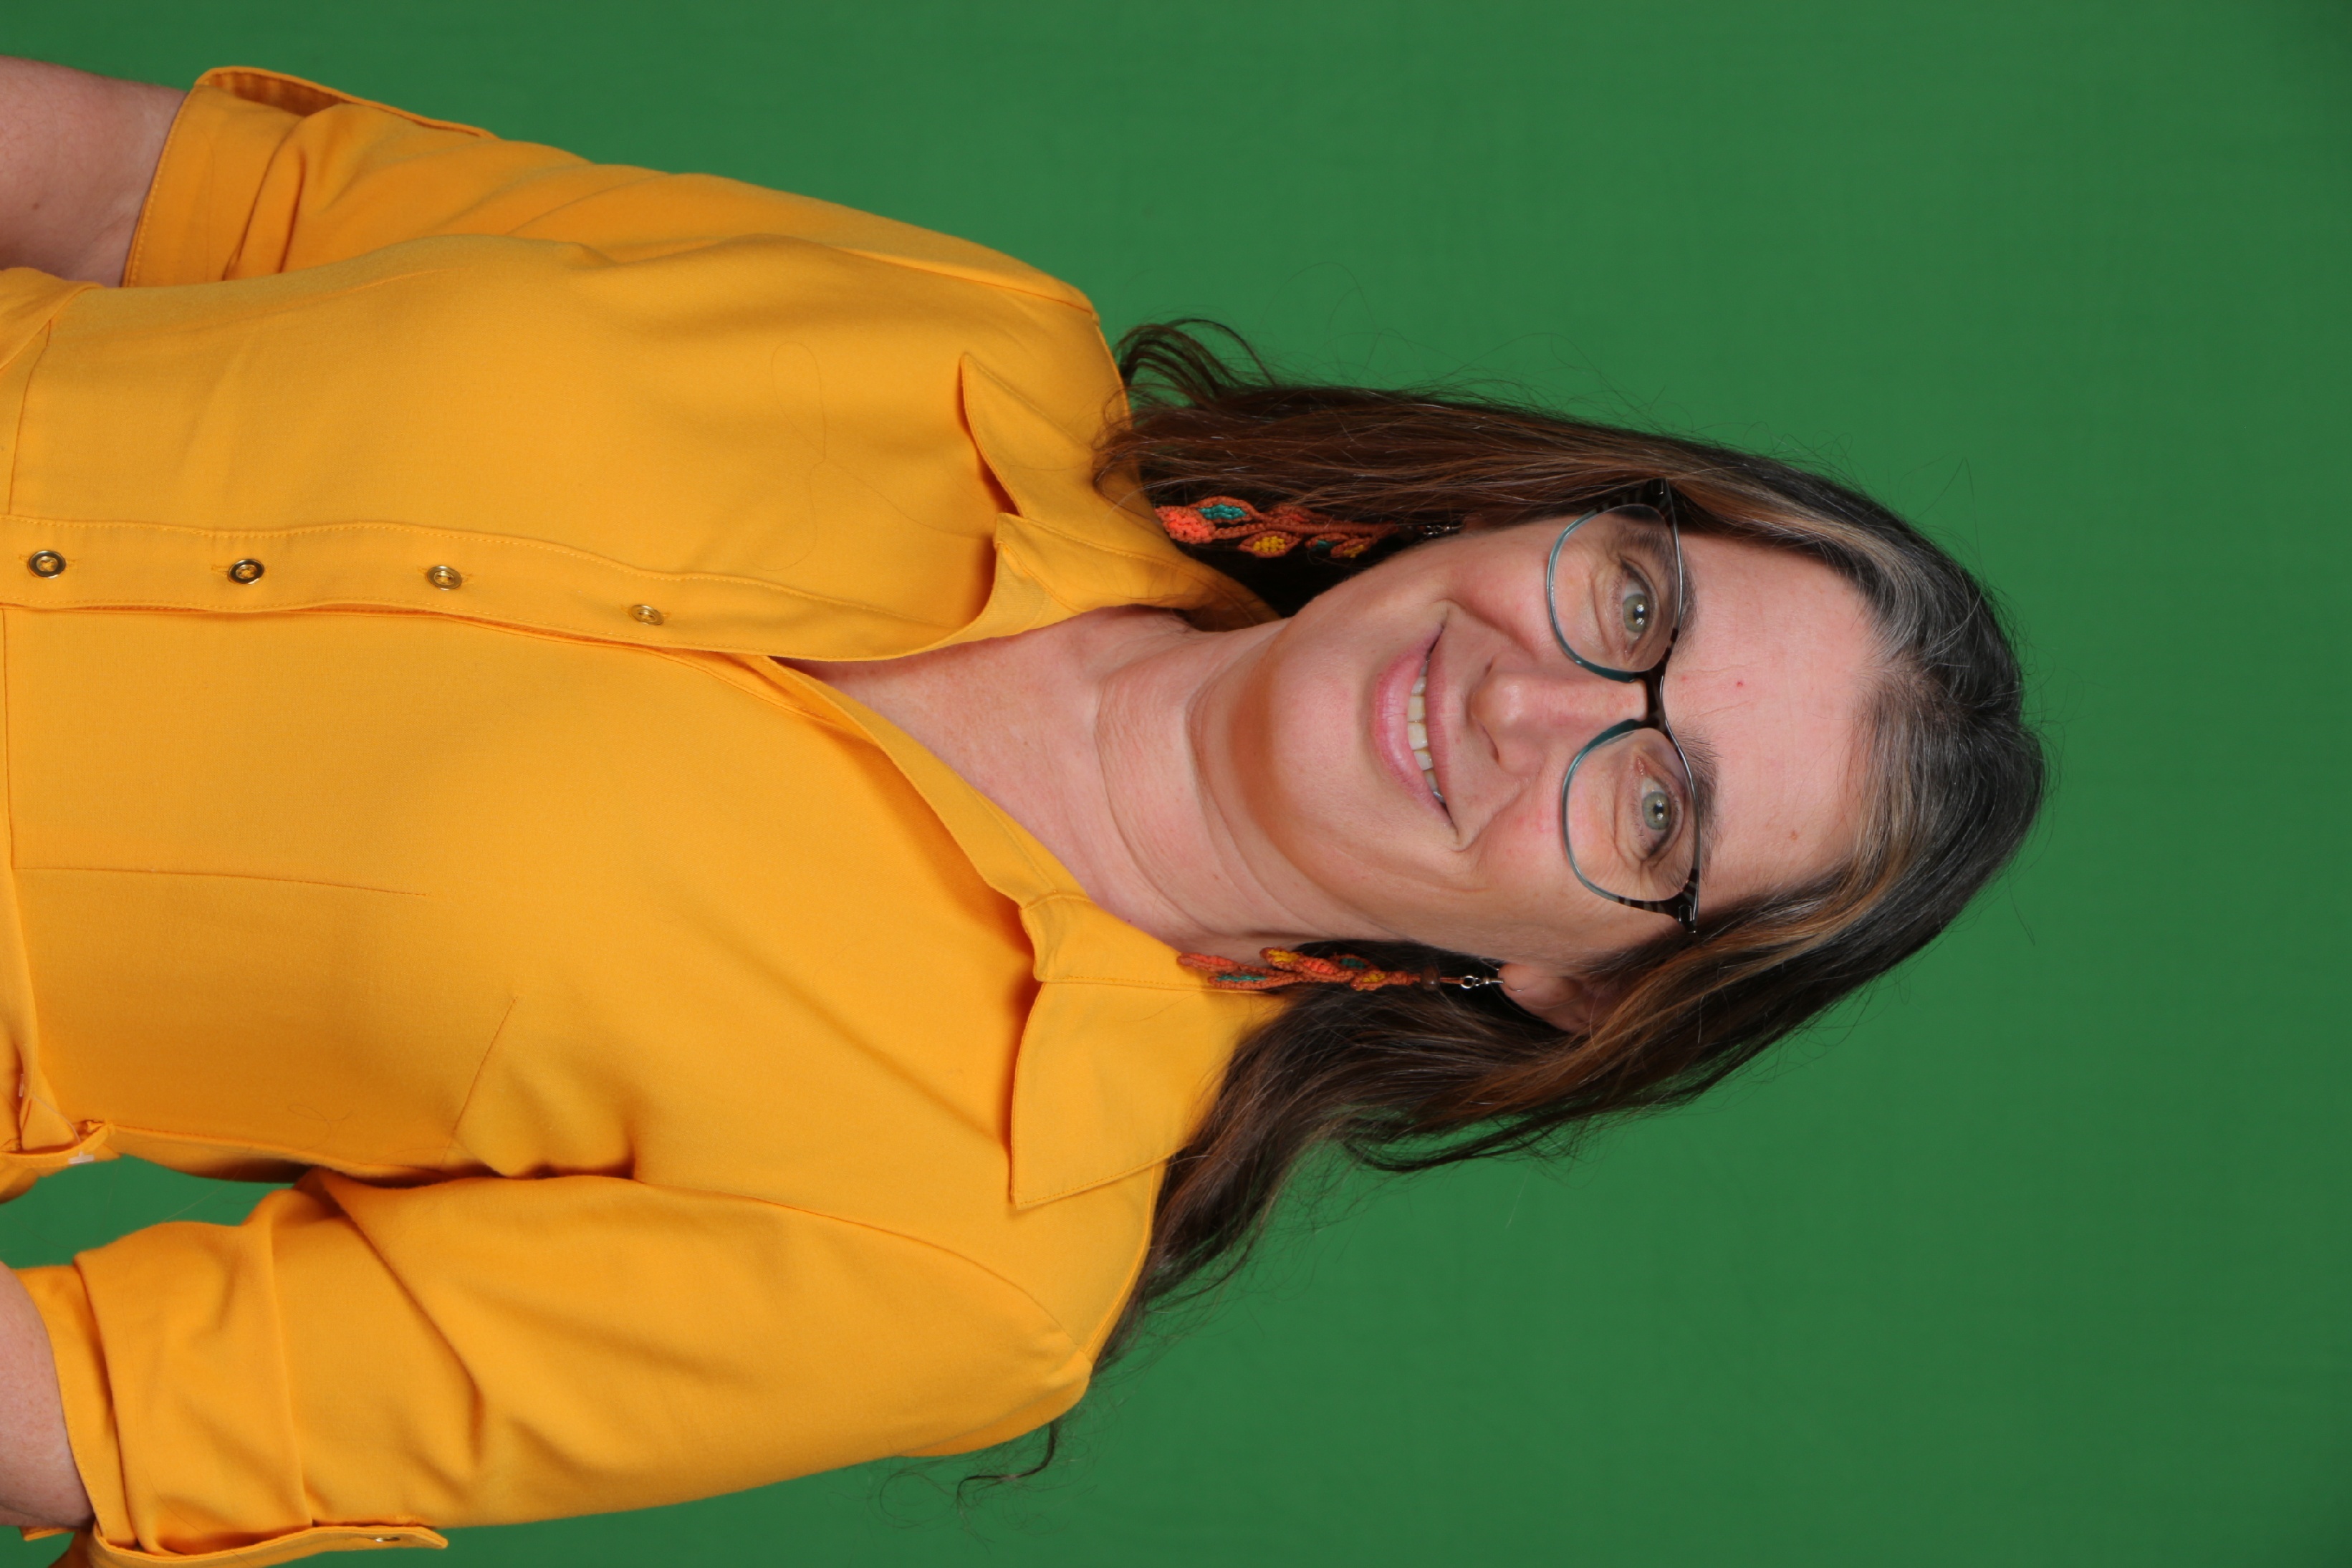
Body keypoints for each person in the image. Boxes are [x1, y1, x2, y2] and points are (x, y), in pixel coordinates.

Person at [0, 57, 2043, 1567]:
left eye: (1656, 810)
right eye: (1637, 606)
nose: (1533, 698)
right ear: (1554, 513)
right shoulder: (970, 339)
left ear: (1581, 989)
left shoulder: (972, 1257)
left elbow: (114, 1417)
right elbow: (168, 197)